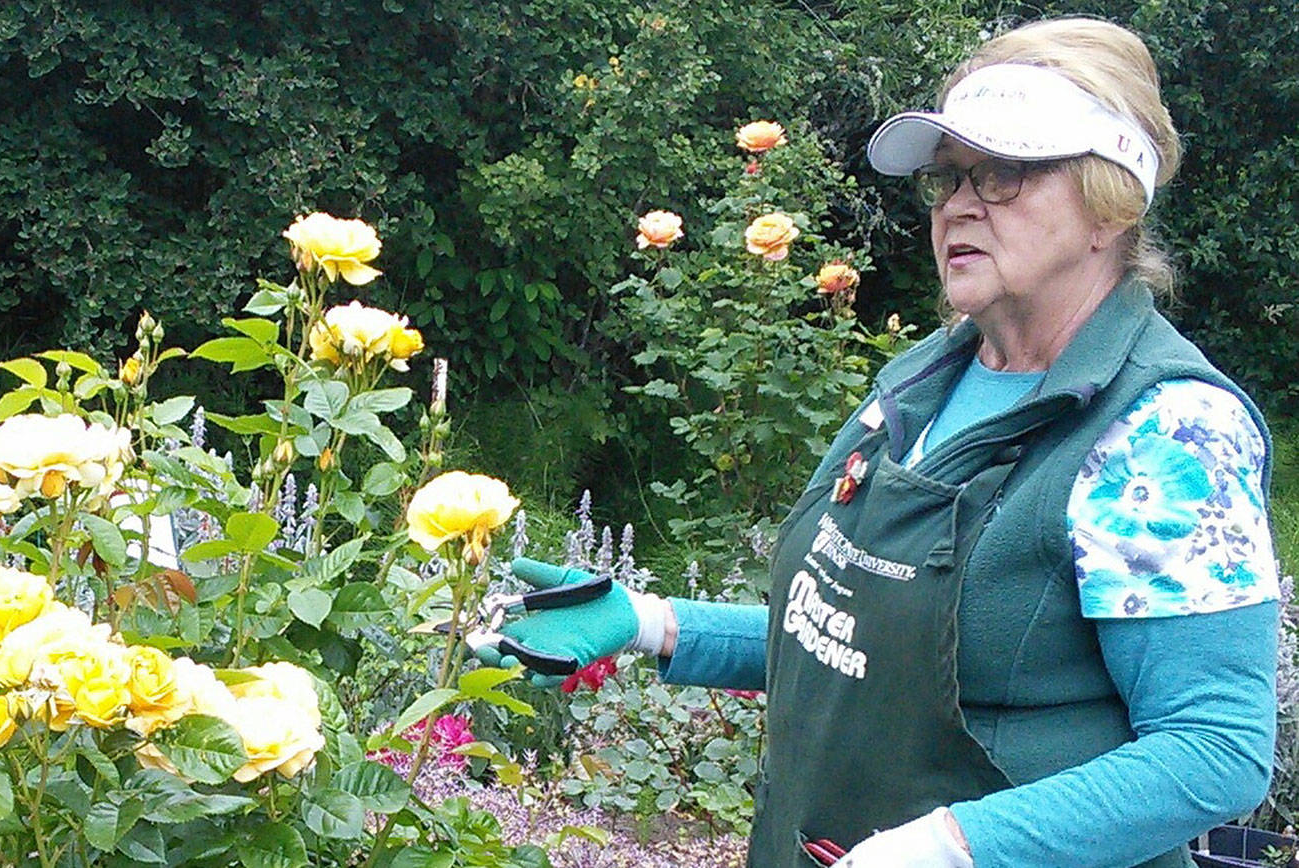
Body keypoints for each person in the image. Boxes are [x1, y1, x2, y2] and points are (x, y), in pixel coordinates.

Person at [475, 17, 1280, 868]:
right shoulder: (925, 380)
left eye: (1002, 173)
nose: (959, 205)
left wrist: (953, 847)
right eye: (947, 178)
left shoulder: (1165, 431)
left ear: (1110, 205)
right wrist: (651, 623)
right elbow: (861, 637)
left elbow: (1215, 751)